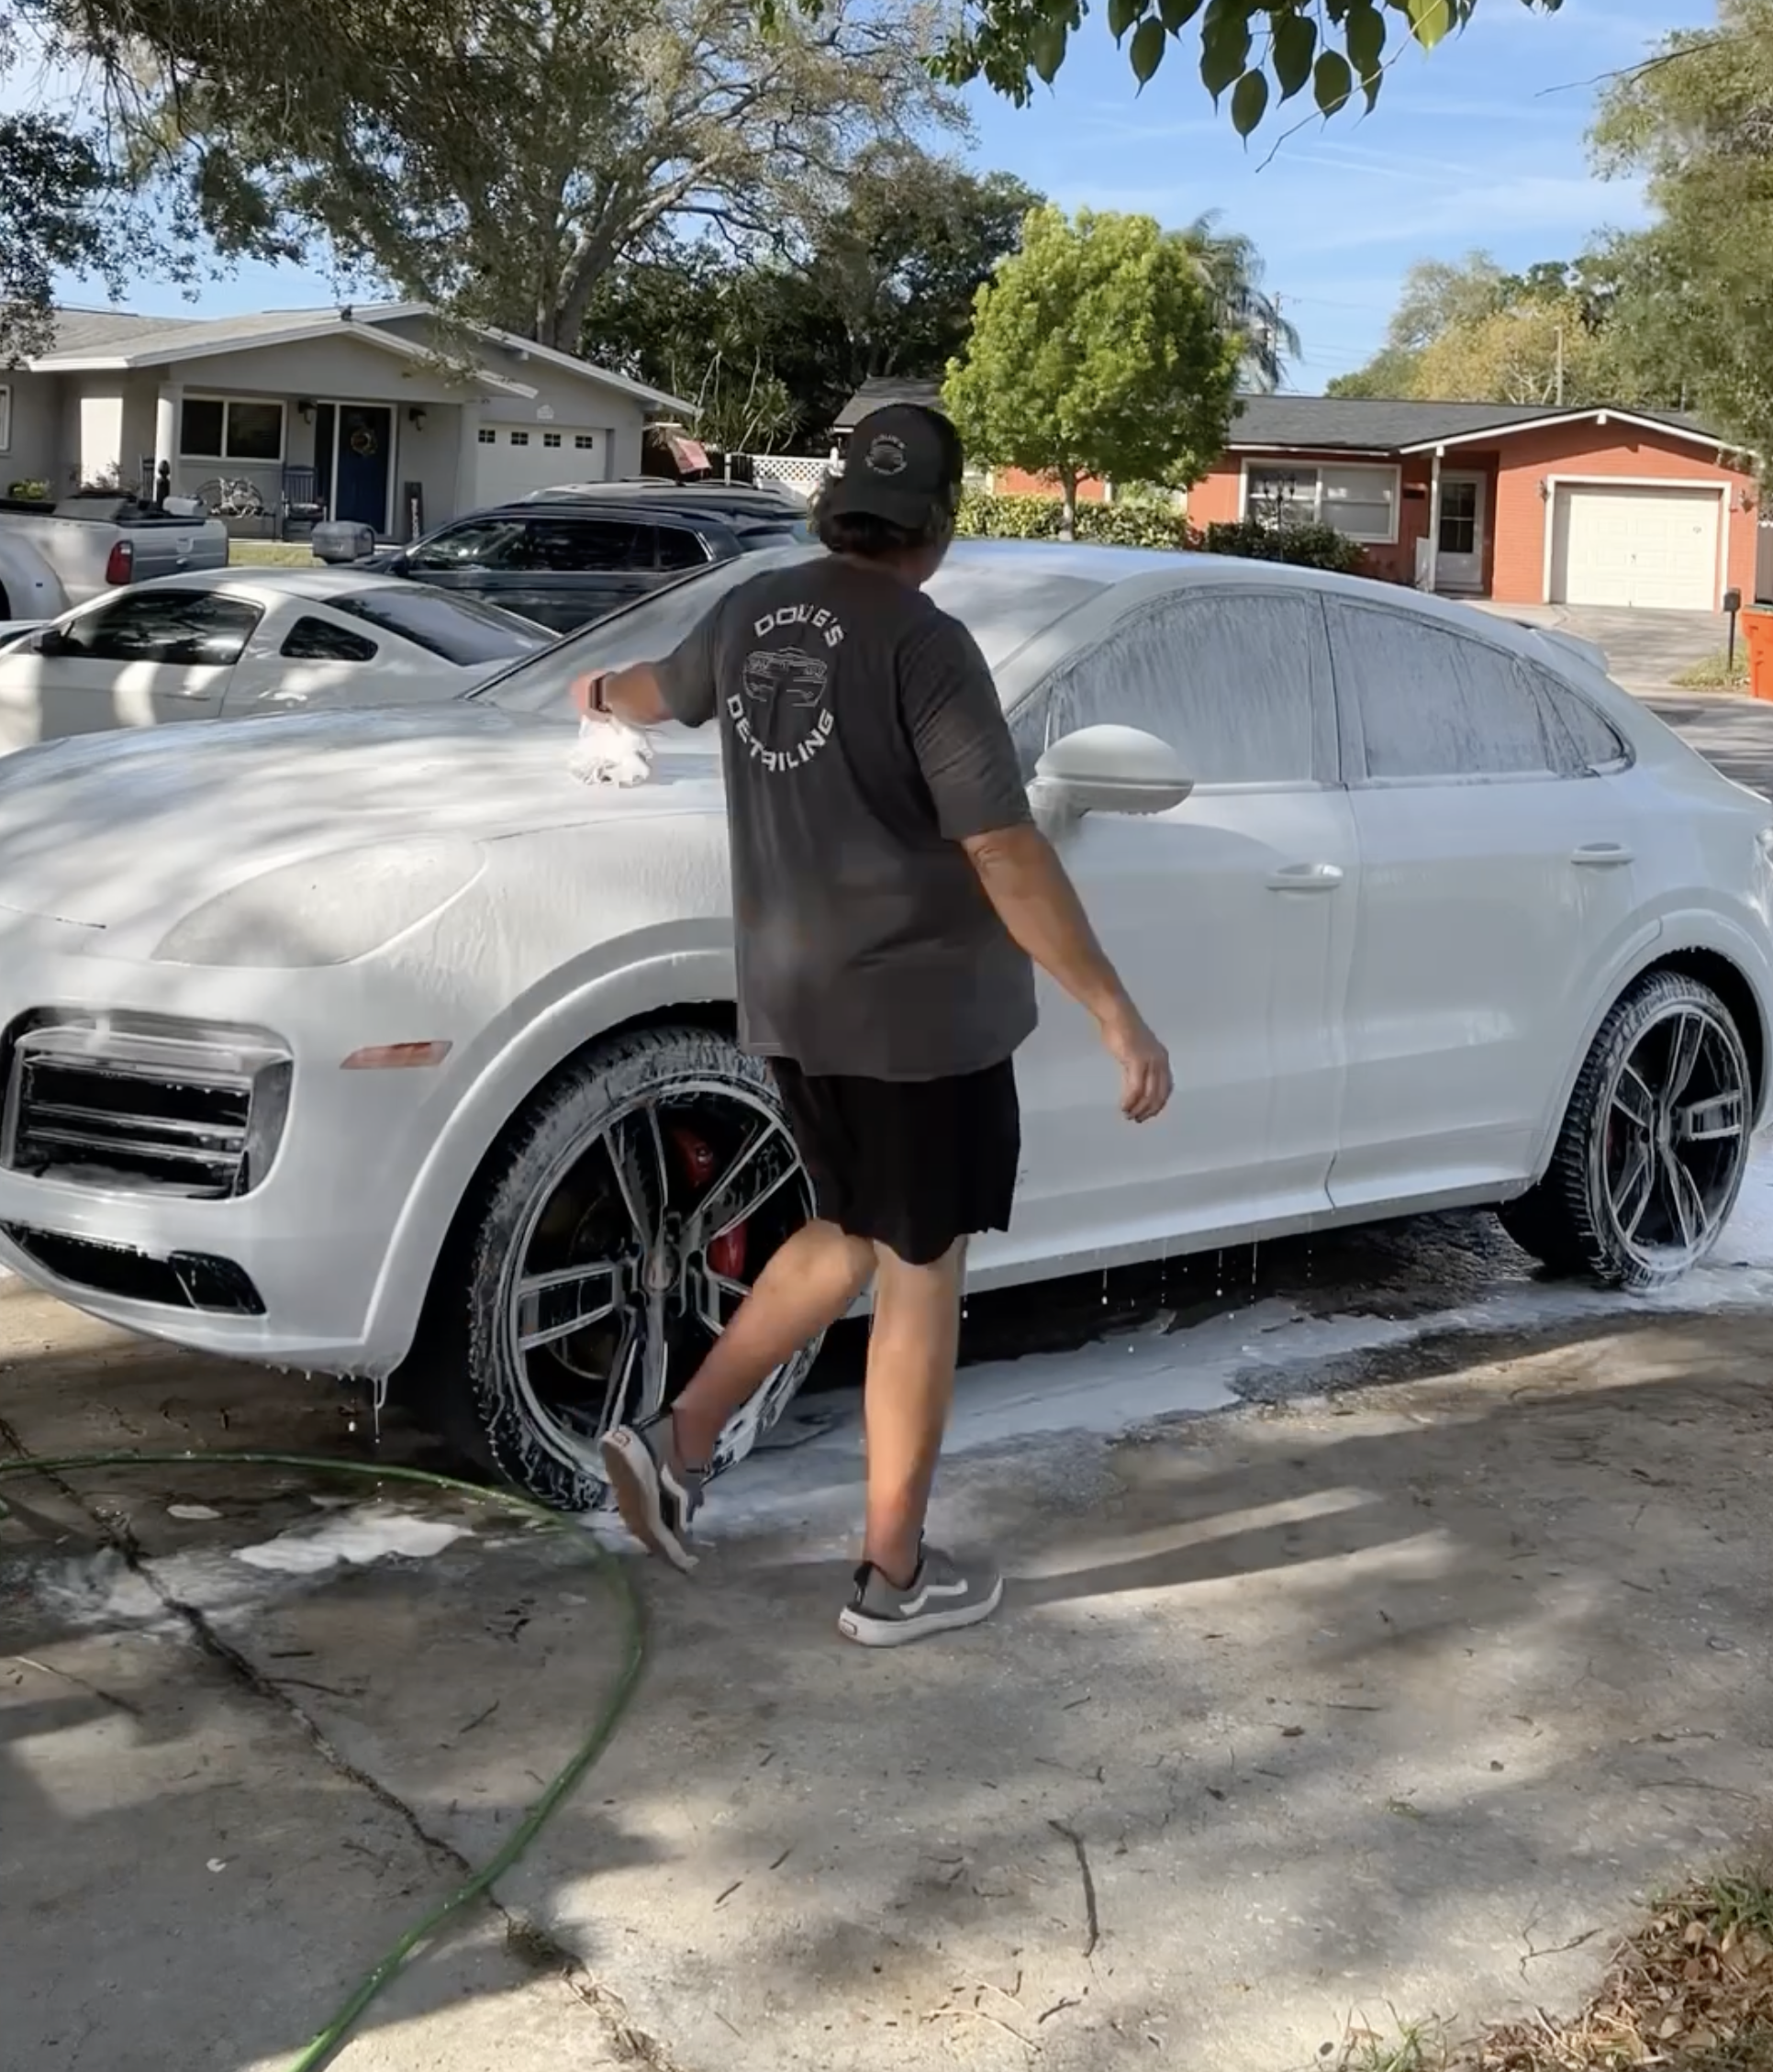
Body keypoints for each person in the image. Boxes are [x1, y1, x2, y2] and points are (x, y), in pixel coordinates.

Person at [574, 404, 1171, 1647]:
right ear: (940, 524)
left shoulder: (750, 612)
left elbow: (654, 689)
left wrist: (593, 691)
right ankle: (894, 1573)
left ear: (827, 505)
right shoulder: (925, 643)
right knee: (920, 1273)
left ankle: (677, 1442)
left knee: (851, 1226)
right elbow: (1003, 847)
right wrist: (1114, 1008)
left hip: (795, 1007)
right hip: (923, 1023)